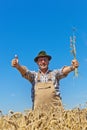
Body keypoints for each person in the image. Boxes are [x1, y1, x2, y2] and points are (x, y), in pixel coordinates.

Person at [11, 50, 79, 110]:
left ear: (48, 61)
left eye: (45, 60)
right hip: (38, 115)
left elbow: (63, 71)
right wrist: (18, 66)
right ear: (37, 63)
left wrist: (72, 67)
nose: (43, 62)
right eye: (40, 60)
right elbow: (25, 72)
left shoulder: (54, 73)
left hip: (56, 113)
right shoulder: (34, 76)